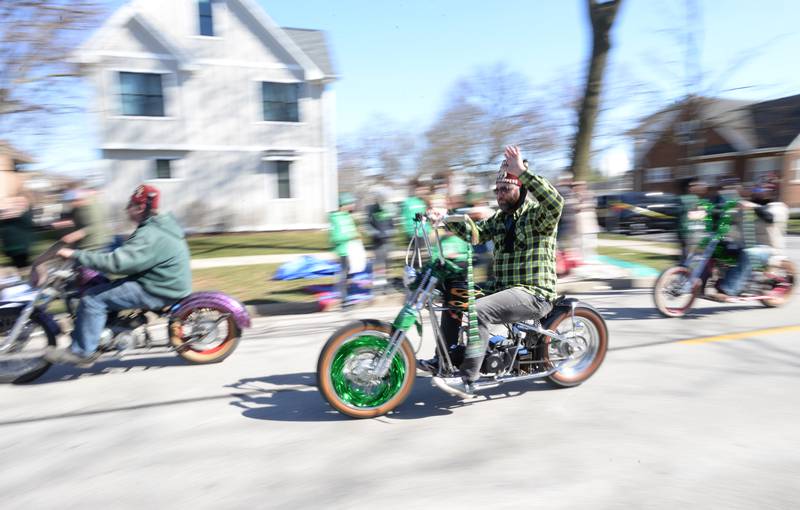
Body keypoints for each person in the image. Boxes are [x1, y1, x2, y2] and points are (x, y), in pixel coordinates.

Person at [425, 145, 564, 398]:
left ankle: (469, 379)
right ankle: (444, 360)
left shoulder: (538, 216)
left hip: (534, 293)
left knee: (479, 310)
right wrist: (445, 218)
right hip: (504, 288)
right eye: (497, 190)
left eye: (505, 189)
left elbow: (556, 202)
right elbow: (475, 234)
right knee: (454, 293)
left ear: (521, 188)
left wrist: (522, 172)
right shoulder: (501, 219)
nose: (500, 194)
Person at [44, 184, 192, 365]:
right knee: (101, 284)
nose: (126, 209)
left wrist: (75, 255)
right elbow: (132, 257)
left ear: (140, 207)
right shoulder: (160, 226)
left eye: (130, 205)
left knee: (92, 299)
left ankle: (82, 352)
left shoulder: (150, 233)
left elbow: (116, 264)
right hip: (162, 282)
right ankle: (102, 332)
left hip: (159, 288)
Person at [328, 193, 363, 309]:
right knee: (344, 275)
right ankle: (344, 300)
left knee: (349, 274)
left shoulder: (348, 216)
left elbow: (352, 231)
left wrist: (356, 235)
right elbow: (334, 238)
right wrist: (351, 236)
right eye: (350, 203)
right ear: (343, 204)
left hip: (352, 250)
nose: (352, 205)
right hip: (343, 251)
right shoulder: (335, 218)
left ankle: (346, 296)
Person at [52, 186, 111, 251]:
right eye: (69, 202)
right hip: (81, 245)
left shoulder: (92, 209)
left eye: (73, 201)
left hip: (95, 245)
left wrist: (78, 234)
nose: (71, 204)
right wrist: (54, 225)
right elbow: (71, 220)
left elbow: (95, 226)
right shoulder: (76, 208)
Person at [365, 188, 395, 290]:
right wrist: (375, 233)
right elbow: (367, 225)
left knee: (387, 263)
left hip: (387, 241)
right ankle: (379, 285)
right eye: (379, 198)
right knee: (379, 263)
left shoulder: (389, 209)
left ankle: (387, 284)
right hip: (377, 242)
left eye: (383, 198)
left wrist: (391, 231)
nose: (382, 200)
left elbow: (392, 224)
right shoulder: (371, 209)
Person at [0, 194, 36, 270]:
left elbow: (28, 223)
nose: (19, 203)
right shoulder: (9, 213)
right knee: (18, 267)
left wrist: (12, 214)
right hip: (11, 247)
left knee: (22, 267)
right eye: (17, 202)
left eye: (22, 202)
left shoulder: (26, 214)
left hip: (21, 248)